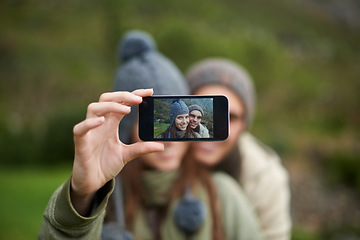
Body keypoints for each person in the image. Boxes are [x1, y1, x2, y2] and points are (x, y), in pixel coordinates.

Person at [39, 30, 264, 240]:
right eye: (155, 121)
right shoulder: (98, 198)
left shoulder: (223, 194)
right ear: (127, 129)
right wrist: (82, 196)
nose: (169, 141)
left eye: (184, 118)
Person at [186, 58, 292, 240]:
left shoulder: (265, 179)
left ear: (244, 125)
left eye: (230, 118)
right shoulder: (160, 155)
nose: (215, 130)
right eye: (205, 113)